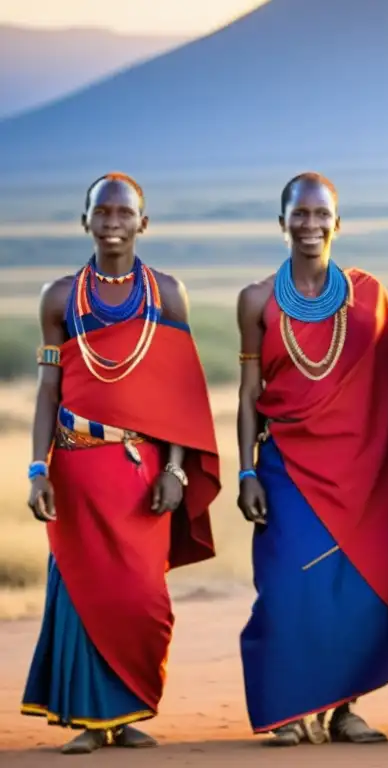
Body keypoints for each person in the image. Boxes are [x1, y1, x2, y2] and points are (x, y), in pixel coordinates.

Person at [21, 173, 222, 755]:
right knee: (84, 592)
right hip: (78, 466)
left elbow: (182, 393)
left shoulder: (167, 294)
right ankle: (91, 719)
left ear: (143, 222)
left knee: (142, 598)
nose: (112, 221)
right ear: (85, 221)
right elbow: (46, 389)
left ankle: (129, 709)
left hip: (143, 467)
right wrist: (38, 468)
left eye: (123, 212)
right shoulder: (59, 298)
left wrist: (178, 470)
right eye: (101, 212)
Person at [235, 172, 388, 747]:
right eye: (299, 214)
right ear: (282, 223)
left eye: (322, 215)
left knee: (355, 591)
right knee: (288, 587)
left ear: (338, 224)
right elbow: (247, 395)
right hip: (288, 468)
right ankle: (289, 709)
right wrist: (245, 469)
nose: (310, 225)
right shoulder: (256, 299)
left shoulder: (368, 298)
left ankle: (344, 709)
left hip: (364, 473)